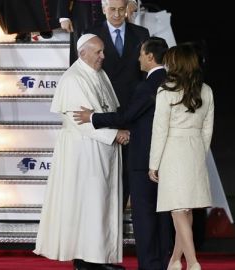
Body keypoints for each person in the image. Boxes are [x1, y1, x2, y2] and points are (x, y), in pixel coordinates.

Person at [73, 37, 173, 270]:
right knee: (162, 215)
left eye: (141, 54)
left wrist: (94, 117)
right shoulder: (168, 80)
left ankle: (150, 265)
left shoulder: (149, 85)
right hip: (164, 157)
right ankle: (161, 263)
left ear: (150, 57)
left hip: (143, 160)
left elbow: (127, 116)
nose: (138, 58)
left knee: (144, 215)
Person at [33, 33, 129, 270]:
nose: (103, 56)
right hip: (84, 152)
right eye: (98, 52)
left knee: (102, 203)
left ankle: (100, 257)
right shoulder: (73, 79)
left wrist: (117, 129)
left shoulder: (99, 73)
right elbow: (80, 121)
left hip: (102, 151)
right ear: (82, 53)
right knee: (88, 204)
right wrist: (114, 134)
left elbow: (108, 109)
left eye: (103, 51)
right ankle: (86, 260)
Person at [148, 44, 215, 270]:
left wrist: (153, 163)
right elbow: (208, 129)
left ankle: (194, 263)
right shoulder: (205, 90)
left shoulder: (166, 90)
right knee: (184, 209)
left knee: (178, 209)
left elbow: (160, 130)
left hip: (173, 150)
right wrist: (199, 152)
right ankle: (175, 261)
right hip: (195, 149)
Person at [87, 0, 150, 211]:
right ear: (104, 9)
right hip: (103, 112)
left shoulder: (141, 33)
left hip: (134, 112)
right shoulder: (91, 34)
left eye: (121, 9)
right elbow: (82, 72)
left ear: (128, 9)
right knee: (101, 171)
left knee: (130, 170)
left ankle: (122, 215)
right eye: (112, 9)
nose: (116, 14)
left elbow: (146, 76)